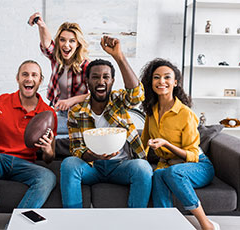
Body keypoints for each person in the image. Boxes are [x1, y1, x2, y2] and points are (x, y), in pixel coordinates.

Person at [60, 36, 153, 208]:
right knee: (69, 164)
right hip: (92, 167)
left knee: (143, 168)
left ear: (112, 81)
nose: (101, 81)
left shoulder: (118, 101)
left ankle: (136, 221)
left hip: (121, 166)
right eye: (95, 77)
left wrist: (119, 57)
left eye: (105, 77)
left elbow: (136, 95)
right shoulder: (76, 112)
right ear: (87, 81)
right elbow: (76, 150)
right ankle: (73, 220)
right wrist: (92, 155)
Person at [0, 60, 57, 230]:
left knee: (48, 177)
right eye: (25, 74)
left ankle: (16, 225)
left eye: (34, 75)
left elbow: (48, 160)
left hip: (24, 165)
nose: (29, 78)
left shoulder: (48, 114)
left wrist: (48, 149)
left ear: (40, 80)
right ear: (17, 78)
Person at [140, 58, 220, 230]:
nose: (161, 81)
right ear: (151, 82)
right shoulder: (151, 112)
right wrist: (138, 161)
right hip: (168, 166)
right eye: (156, 77)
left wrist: (166, 145)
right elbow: (143, 144)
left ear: (175, 82)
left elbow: (192, 154)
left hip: (198, 166)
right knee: (159, 174)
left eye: (167, 77)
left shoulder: (185, 114)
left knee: (172, 173)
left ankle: (205, 224)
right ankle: (166, 225)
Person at [28, 13, 89, 138]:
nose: (66, 45)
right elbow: (46, 45)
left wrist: (71, 101)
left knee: (42, 132)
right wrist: (41, 25)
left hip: (77, 115)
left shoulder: (86, 66)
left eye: (72, 41)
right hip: (58, 111)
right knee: (37, 129)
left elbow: (96, 94)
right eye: (62, 40)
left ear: (78, 44)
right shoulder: (57, 59)